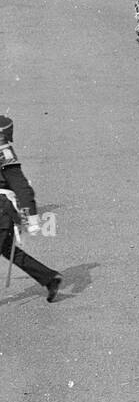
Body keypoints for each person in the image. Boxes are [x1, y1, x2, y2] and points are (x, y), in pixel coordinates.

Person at [0, 115, 61, 301]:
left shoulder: (4, 154)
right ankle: (49, 278)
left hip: (1, 211)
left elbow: (21, 187)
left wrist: (32, 218)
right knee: (8, 250)